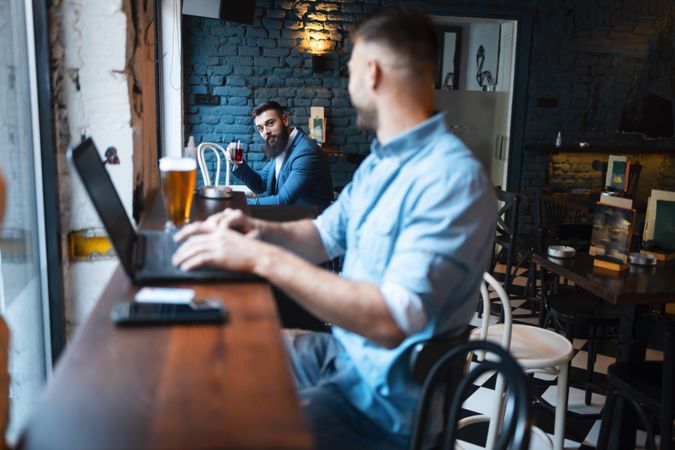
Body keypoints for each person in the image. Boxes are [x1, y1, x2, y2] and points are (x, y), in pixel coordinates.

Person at [173, 6, 496, 449]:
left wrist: (259, 257)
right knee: (218, 353)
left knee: (230, 427)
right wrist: (251, 229)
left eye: (350, 71)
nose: (348, 84)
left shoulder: (449, 178)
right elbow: (322, 235)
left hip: (386, 409)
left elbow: (390, 320)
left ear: (374, 73)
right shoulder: (382, 164)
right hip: (346, 358)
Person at [226, 101, 334, 210]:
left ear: (285, 120)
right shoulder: (283, 146)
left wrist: (238, 203)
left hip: (310, 220)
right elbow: (260, 185)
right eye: (260, 128)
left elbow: (283, 200)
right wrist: (239, 164)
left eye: (270, 123)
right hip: (289, 215)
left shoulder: (305, 152)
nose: (265, 132)